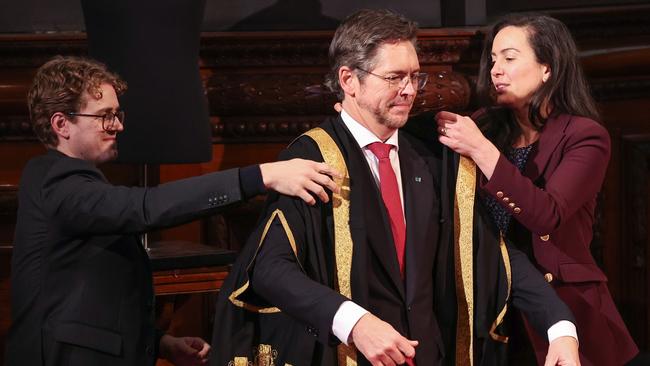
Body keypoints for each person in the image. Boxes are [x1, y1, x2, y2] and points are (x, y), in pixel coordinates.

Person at [212, 9, 580, 366]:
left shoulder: (435, 154)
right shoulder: (311, 157)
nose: (409, 91)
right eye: (394, 78)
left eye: (415, 77)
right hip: (352, 354)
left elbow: (492, 251)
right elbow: (270, 267)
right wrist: (354, 322)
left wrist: (558, 325)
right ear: (349, 80)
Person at [5, 56, 342, 366]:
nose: (118, 126)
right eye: (105, 115)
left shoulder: (73, 184)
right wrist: (261, 176)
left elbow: (83, 296)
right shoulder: (54, 179)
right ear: (62, 124)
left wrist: (162, 344)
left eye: (117, 114)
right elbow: (144, 207)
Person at [435, 13, 639, 365]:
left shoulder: (585, 136)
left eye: (510, 58)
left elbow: (547, 215)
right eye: (494, 59)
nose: (496, 69)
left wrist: (482, 150)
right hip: (488, 305)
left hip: (562, 305)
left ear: (548, 68)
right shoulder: (483, 123)